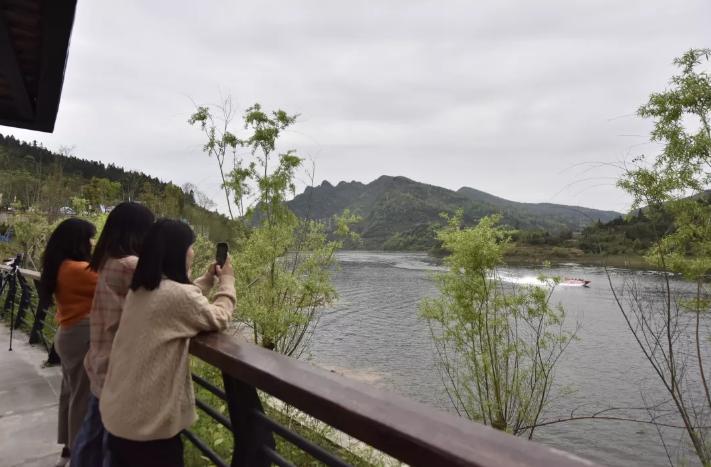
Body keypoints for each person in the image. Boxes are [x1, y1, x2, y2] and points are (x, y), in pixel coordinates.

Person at [100, 219, 235, 467]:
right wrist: (227, 282)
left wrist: (207, 279)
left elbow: (181, 299)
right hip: (147, 432)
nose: (193, 252)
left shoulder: (141, 290)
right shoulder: (175, 296)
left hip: (120, 418)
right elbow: (219, 316)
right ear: (178, 251)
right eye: (190, 246)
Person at [71, 202, 155, 467]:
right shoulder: (132, 265)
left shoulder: (107, 261)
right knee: (113, 445)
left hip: (101, 360)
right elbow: (169, 299)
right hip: (120, 368)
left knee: (92, 435)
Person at [39, 219, 98, 467]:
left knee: (70, 393)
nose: (93, 243)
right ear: (78, 241)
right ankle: (78, 455)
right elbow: (117, 282)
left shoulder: (60, 266)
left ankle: (67, 449)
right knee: (82, 397)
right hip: (82, 335)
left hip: (68, 333)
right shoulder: (78, 269)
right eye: (90, 237)